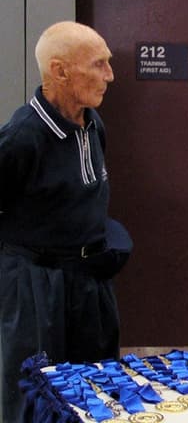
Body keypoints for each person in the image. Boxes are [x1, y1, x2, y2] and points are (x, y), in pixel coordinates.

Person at [0, 21, 131, 421]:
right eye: (99, 64)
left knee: (96, 390)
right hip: (36, 285)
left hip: (89, 281)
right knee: (37, 396)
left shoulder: (93, 124)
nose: (110, 75)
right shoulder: (23, 136)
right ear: (59, 71)